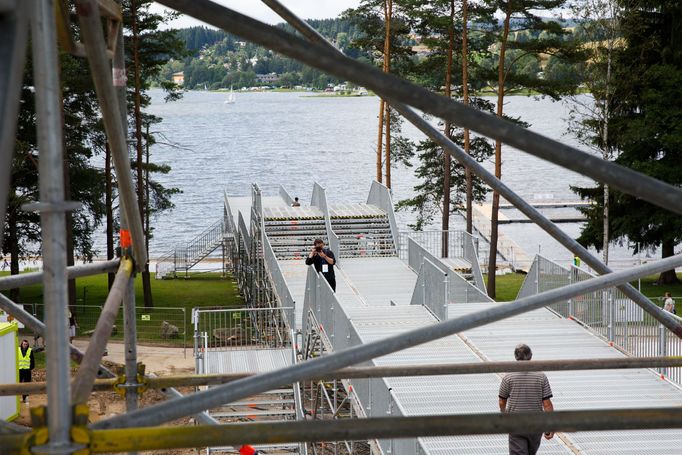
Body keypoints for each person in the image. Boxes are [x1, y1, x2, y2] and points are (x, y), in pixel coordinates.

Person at [498, 344, 554, 455]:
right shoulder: (541, 376)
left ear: (515, 357)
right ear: (531, 356)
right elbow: (547, 404)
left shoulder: (508, 377)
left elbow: (502, 401)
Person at [17, 339, 34, 403]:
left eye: (26, 344)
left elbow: (32, 360)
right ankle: (17, 398)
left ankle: (25, 398)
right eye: (24, 344)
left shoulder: (30, 350)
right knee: (18, 384)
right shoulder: (17, 349)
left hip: (27, 370)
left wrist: (31, 367)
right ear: (21, 344)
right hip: (19, 370)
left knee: (27, 384)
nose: (25, 345)